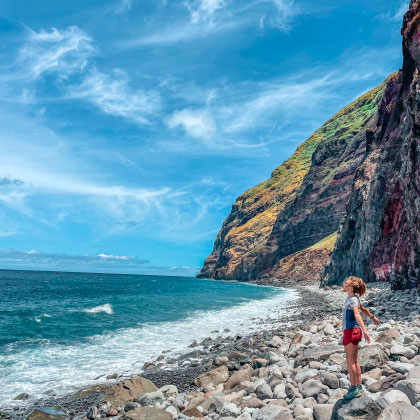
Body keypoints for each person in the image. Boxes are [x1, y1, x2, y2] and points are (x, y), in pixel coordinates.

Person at [341, 276, 380, 399]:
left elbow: (357, 314)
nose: (344, 284)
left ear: (350, 287)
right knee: (355, 361)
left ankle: (354, 389)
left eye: (346, 283)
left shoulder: (352, 299)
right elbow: (363, 309)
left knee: (350, 361)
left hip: (351, 331)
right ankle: (358, 387)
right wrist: (373, 317)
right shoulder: (354, 299)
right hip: (353, 330)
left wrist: (365, 330)